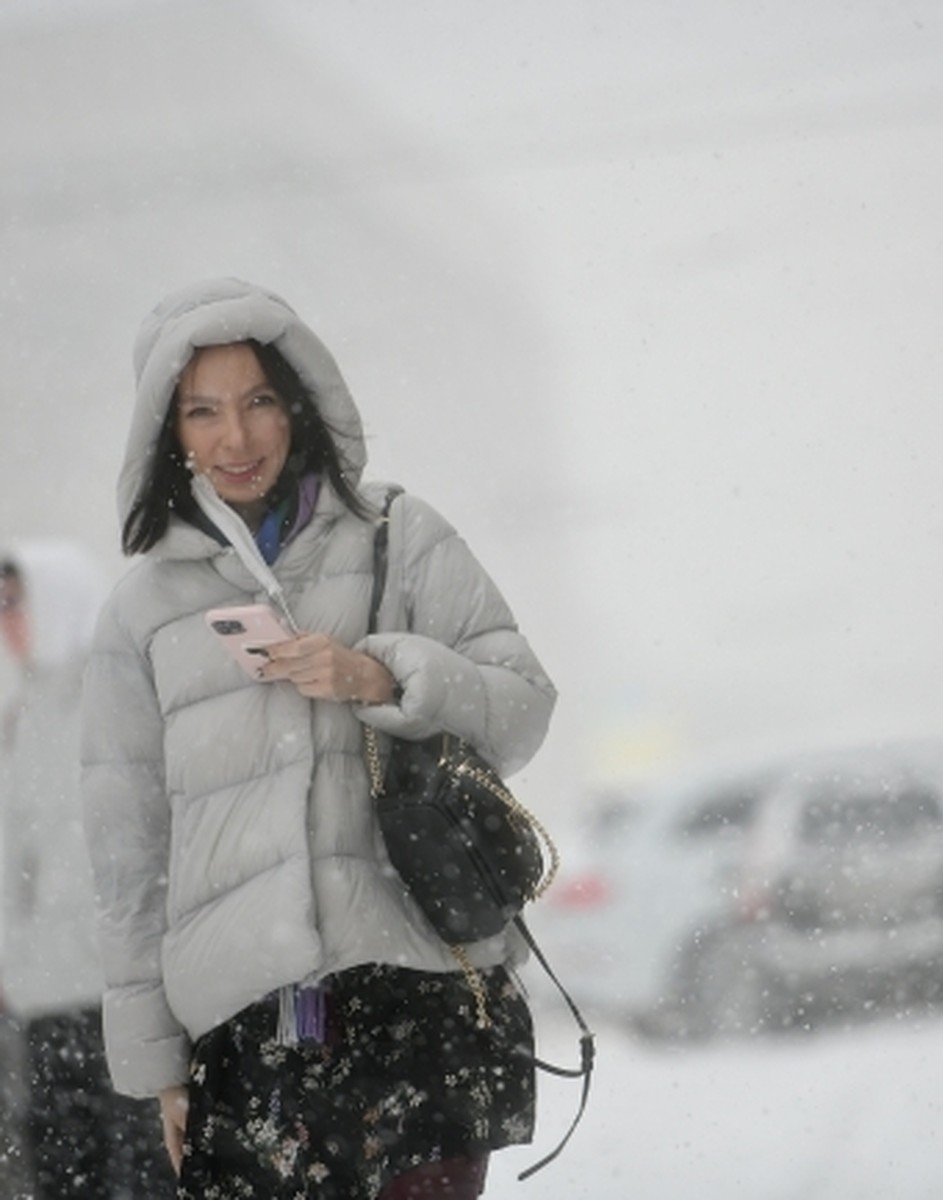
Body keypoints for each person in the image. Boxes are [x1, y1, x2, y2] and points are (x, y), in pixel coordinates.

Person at [80, 278, 557, 1200]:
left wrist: (384, 677)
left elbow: (525, 706)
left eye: (259, 400)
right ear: (166, 432)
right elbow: (130, 864)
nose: (238, 438)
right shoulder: (138, 616)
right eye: (203, 411)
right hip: (248, 1034)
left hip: (421, 997)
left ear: (299, 403)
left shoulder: (399, 536)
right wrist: (159, 1070)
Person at [0, 541, 175, 1198]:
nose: (6, 621)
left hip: (122, 983)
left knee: (144, 1156)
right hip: (45, 989)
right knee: (65, 1161)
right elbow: (15, 852)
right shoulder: (21, 716)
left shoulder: (123, 693)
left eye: (16, 603)